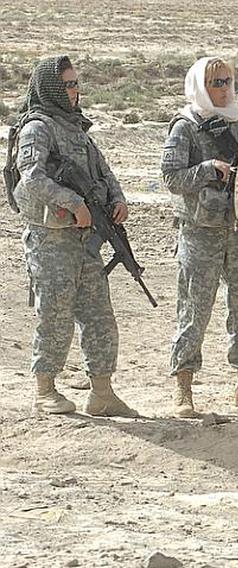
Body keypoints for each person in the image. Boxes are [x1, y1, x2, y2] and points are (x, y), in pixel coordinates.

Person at [13, 55, 137, 416]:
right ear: (51, 87)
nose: (75, 89)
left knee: (99, 314)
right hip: (52, 240)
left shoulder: (75, 127)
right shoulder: (37, 128)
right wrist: (73, 203)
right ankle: (45, 389)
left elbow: (103, 170)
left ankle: (102, 392)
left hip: (86, 240)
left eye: (76, 83)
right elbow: (32, 177)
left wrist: (117, 200)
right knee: (55, 314)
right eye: (68, 84)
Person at [161, 56, 238, 418]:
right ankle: (183, 387)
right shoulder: (185, 127)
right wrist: (207, 169)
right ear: (201, 86)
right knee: (194, 310)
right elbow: (170, 177)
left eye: (228, 81)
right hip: (201, 232)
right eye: (216, 83)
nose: (224, 88)